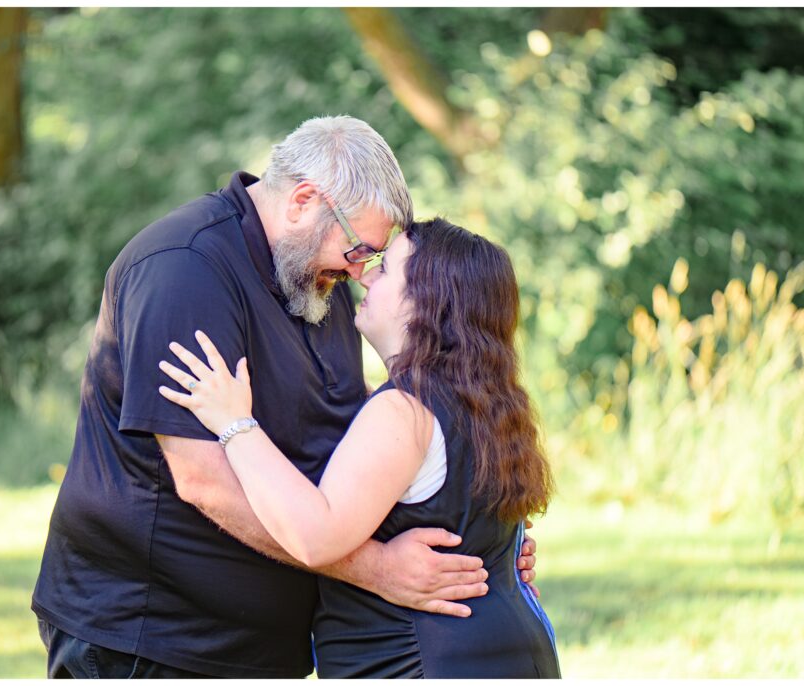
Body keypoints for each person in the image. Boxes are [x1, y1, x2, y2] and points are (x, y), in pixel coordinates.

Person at [31, 116, 540, 678]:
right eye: (359, 249)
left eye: (372, 258)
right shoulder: (185, 268)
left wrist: (482, 544)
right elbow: (204, 479)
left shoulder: (320, 280)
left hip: (265, 641)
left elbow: (362, 435)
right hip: (155, 636)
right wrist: (380, 569)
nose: (360, 271)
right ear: (303, 201)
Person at [159, 217, 560, 678]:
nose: (363, 275)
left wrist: (234, 423)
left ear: (426, 302)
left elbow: (314, 536)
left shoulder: (404, 411)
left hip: (421, 663)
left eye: (385, 269)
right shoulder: (487, 404)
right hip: (513, 651)